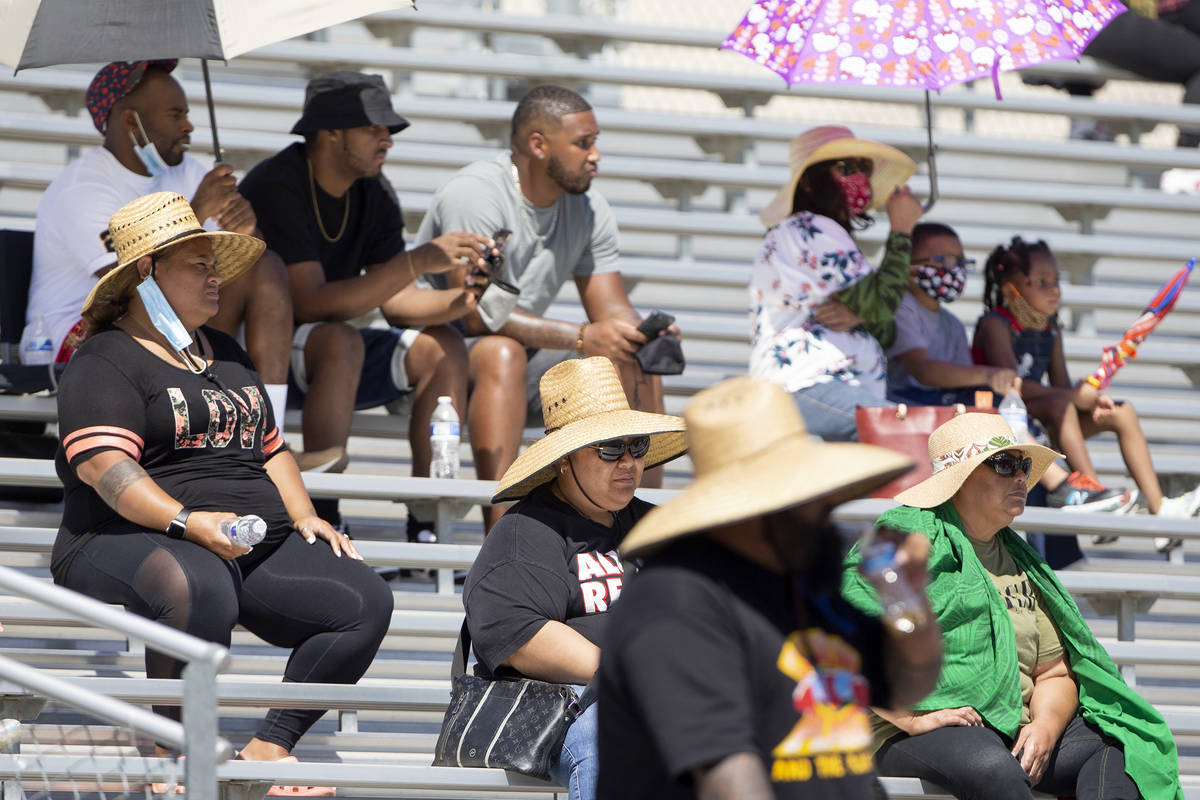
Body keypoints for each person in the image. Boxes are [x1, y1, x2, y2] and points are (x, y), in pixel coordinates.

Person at [52, 192, 394, 792]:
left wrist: (307, 516)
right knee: (198, 581)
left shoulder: (227, 353)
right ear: (145, 273)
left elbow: (273, 449)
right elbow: (106, 471)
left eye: (215, 266)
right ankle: (174, 750)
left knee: (363, 598)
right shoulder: (103, 358)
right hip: (120, 533)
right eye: (198, 266)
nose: (216, 280)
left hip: (239, 534)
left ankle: (269, 747)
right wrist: (188, 521)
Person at [597, 376, 944, 799]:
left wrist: (905, 598)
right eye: (811, 497)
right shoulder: (674, 600)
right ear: (758, 505)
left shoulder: (804, 583)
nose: (828, 512)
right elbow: (729, 779)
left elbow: (908, 684)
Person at [842, 412, 1182, 800]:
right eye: (1005, 465)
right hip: (909, 730)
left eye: (1023, 466)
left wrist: (1045, 728)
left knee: (1121, 746)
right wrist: (912, 719)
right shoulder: (904, 537)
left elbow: (1054, 672)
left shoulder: (1021, 559)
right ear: (961, 478)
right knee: (993, 767)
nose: (1021, 477)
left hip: (1011, 728)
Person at [239, 71, 495, 534]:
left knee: (444, 347)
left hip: (330, 357)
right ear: (331, 132)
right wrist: (418, 259)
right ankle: (321, 513)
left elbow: (397, 302)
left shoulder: (374, 190)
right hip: (261, 358)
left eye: (388, 131)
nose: (387, 141)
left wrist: (466, 297)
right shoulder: (277, 183)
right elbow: (310, 302)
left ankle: (429, 521)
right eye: (374, 129)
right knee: (341, 341)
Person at [415, 84, 675, 528]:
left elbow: (610, 305)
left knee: (631, 355)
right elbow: (476, 313)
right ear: (538, 144)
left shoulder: (589, 207)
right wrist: (578, 336)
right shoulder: (476, 193)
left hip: (517, 356)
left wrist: (641, 332)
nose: (596, 155)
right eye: (583, 143)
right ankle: (504, 536)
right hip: (443, 352)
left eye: (595, 142)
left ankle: (640, 536)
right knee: (502, 352)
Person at [22, 60, 294, 427]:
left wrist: (247, 230)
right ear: (131, 121)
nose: (188, 126)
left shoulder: (187, 170)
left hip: (169, 317)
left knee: (266, 266)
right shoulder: (83, 189)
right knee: (175, 289)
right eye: (175, 114)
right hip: (84, 331)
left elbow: (246, 266)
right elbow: (129, 284)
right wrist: (197, 211)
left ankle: (266, 429)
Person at [462, 356, 686, 800]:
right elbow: (517, 631)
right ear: (565, 460)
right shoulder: (526, 532)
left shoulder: (661, 527)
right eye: (609, 449)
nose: (628, 462)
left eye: (636, 446)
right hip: (572, 706)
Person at [972, 236, 1200, 551]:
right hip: (1009, 420)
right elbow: (1011, 385)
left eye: (1055, 281)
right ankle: (1091, 494)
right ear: (1012, 289)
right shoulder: (996, 325)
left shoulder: (1051, 329)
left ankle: (1161, 508)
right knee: (1061, 402)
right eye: (1040, 282)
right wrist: (1070, 397)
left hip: (1050, 414)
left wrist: (1085, 399)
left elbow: (1061, 385)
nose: (1053, 289)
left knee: (1121, 411)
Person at [887, 222, 1129, 513]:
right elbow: (923, 370)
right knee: (994, 404)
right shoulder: (902, 309)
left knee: (995, 403)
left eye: (959, 260)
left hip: (946, 407)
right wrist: (989, 374)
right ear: (909, 264)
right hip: (910, 406)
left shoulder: (950, 323)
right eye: (943, 260)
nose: (955, 268)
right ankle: (1062, 487)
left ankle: (1081, 490)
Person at [749, 125, 924, 442]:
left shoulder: (822, 236)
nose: (858, 177)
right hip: (806, 385)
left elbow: (886, 327)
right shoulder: (811, 227)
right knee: (900, 434)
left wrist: (861, 315)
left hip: (829, 389)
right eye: (845, 168)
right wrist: (901, 230)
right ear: (808, 182)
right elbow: (882, 305)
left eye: (863, 168)